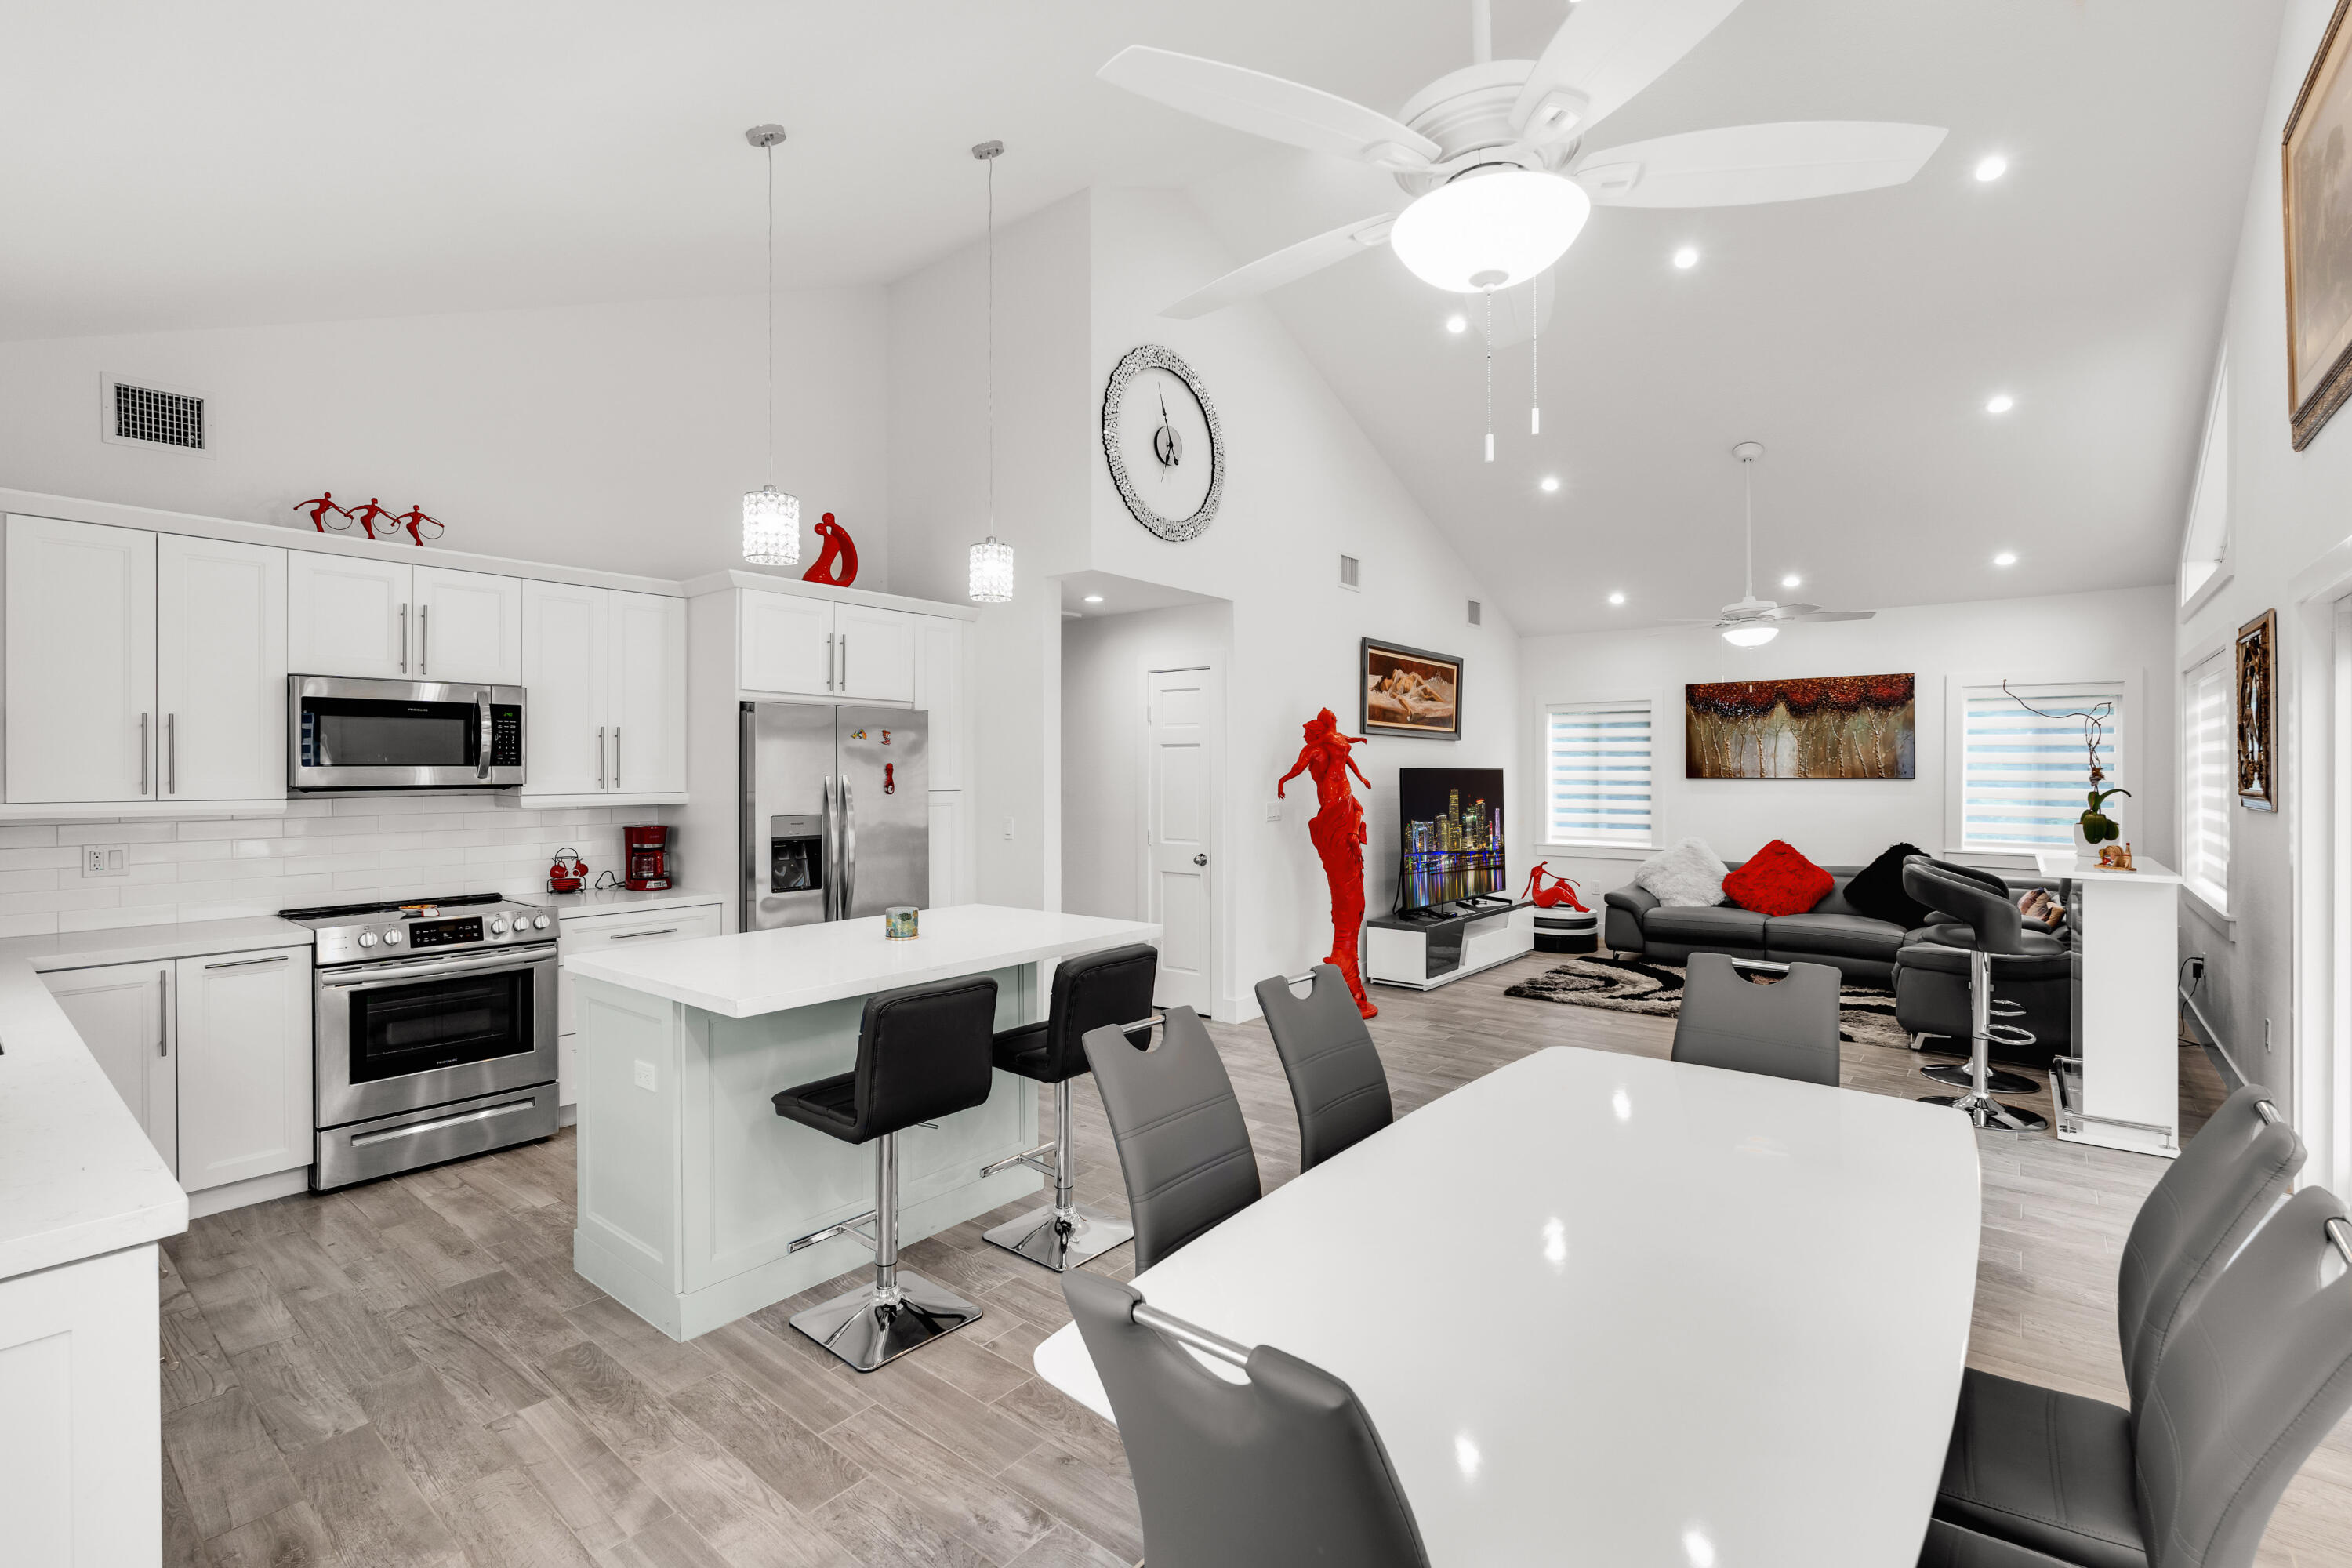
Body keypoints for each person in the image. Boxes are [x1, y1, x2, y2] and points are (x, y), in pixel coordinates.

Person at [1277, 707, 1377, 1018]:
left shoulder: (1335, 742)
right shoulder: (1317, 749)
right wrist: (1282, 780)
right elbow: (1297, 767)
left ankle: (1356, 833)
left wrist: (1360, 773)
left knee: (1354, 817)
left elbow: (1348, 756)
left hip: (1343, 793)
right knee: (1344, 870)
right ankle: (1346, 972)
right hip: (1332, 797)